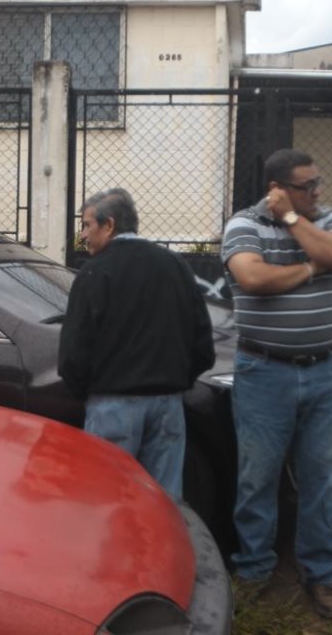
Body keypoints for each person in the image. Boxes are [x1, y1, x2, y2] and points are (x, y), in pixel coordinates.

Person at [220, 148, 332, 620]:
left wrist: (294, 218)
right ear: (276, 189)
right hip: (264, 371)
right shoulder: (243, 225)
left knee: (321, 478)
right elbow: (252, 278)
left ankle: (321, 572)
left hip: (324, 371)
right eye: (305, 186)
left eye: (318, 182)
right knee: (258, 477)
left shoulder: (328, 218)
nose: (317, 192)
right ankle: (254, 569)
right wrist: (311, 268)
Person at [58, 187, 215, 499]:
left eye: (87, 225)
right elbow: (201, 340)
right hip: (168, 404)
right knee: (163, 503)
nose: (83, 235)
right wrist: (177, 382)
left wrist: (87, 392)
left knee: (107, 500)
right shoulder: (175, 266)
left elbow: (74, 350)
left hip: (112, 405)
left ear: (109, 225)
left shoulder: (94, 273)